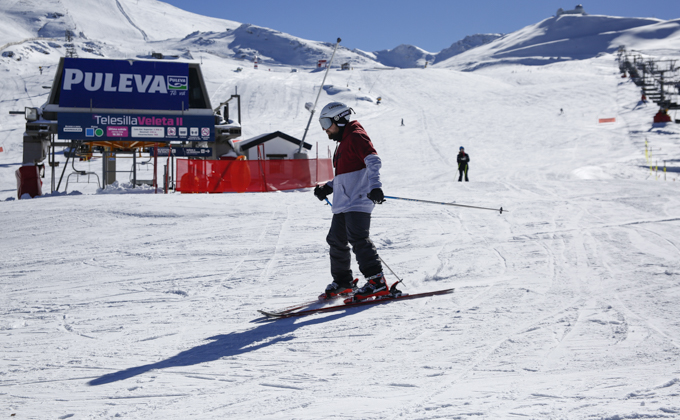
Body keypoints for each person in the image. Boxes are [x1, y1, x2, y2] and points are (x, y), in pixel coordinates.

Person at [313, 102, 388, 301]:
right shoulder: (344, 142)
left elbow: (372, 160)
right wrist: (328, 187)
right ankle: (343, 281)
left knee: (358, 238)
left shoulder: (355, 136)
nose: (324, 128)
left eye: (326, 122)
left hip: (359, 200)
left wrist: (375, 186)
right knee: (336, 240)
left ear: (340, 119)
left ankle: (377, 281)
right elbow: (345, 175)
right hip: (344, 202)